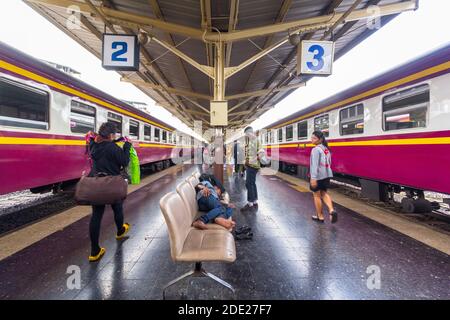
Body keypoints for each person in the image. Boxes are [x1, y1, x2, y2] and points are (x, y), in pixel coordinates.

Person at [86, 122, 132, 262]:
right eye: (115, 134)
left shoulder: (94, 146)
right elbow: (124, 161)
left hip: (96, 184)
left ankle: (94, 251)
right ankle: (119, 231)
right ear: (111, 135)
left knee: (96, 216)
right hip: (111, 184)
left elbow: (93, 146)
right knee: (117, 207)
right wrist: (128, 146)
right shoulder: (113, 148)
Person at [309, 130, 337, 223]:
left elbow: (314, 165)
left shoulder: (316, 149)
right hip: (327, 174)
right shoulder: (326, 149)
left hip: (318, 176)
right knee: (324, 193)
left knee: (316, 195)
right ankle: (331, 210)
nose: (311, 140)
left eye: (314, 138)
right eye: (312, 137)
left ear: (320, 139)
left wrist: (313, 178)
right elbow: (329, 162)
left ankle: (320, 216)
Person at [241, 126, 261, 212]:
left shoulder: (255, 141)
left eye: (246, 134)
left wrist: (253, 160)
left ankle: (250, 203)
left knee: (249, 183)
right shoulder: (252, 141)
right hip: (251, 166)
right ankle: (255, 201)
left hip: (253, 166)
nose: (246, 136)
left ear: (249, 132)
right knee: (252, 183)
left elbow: (261, 153)